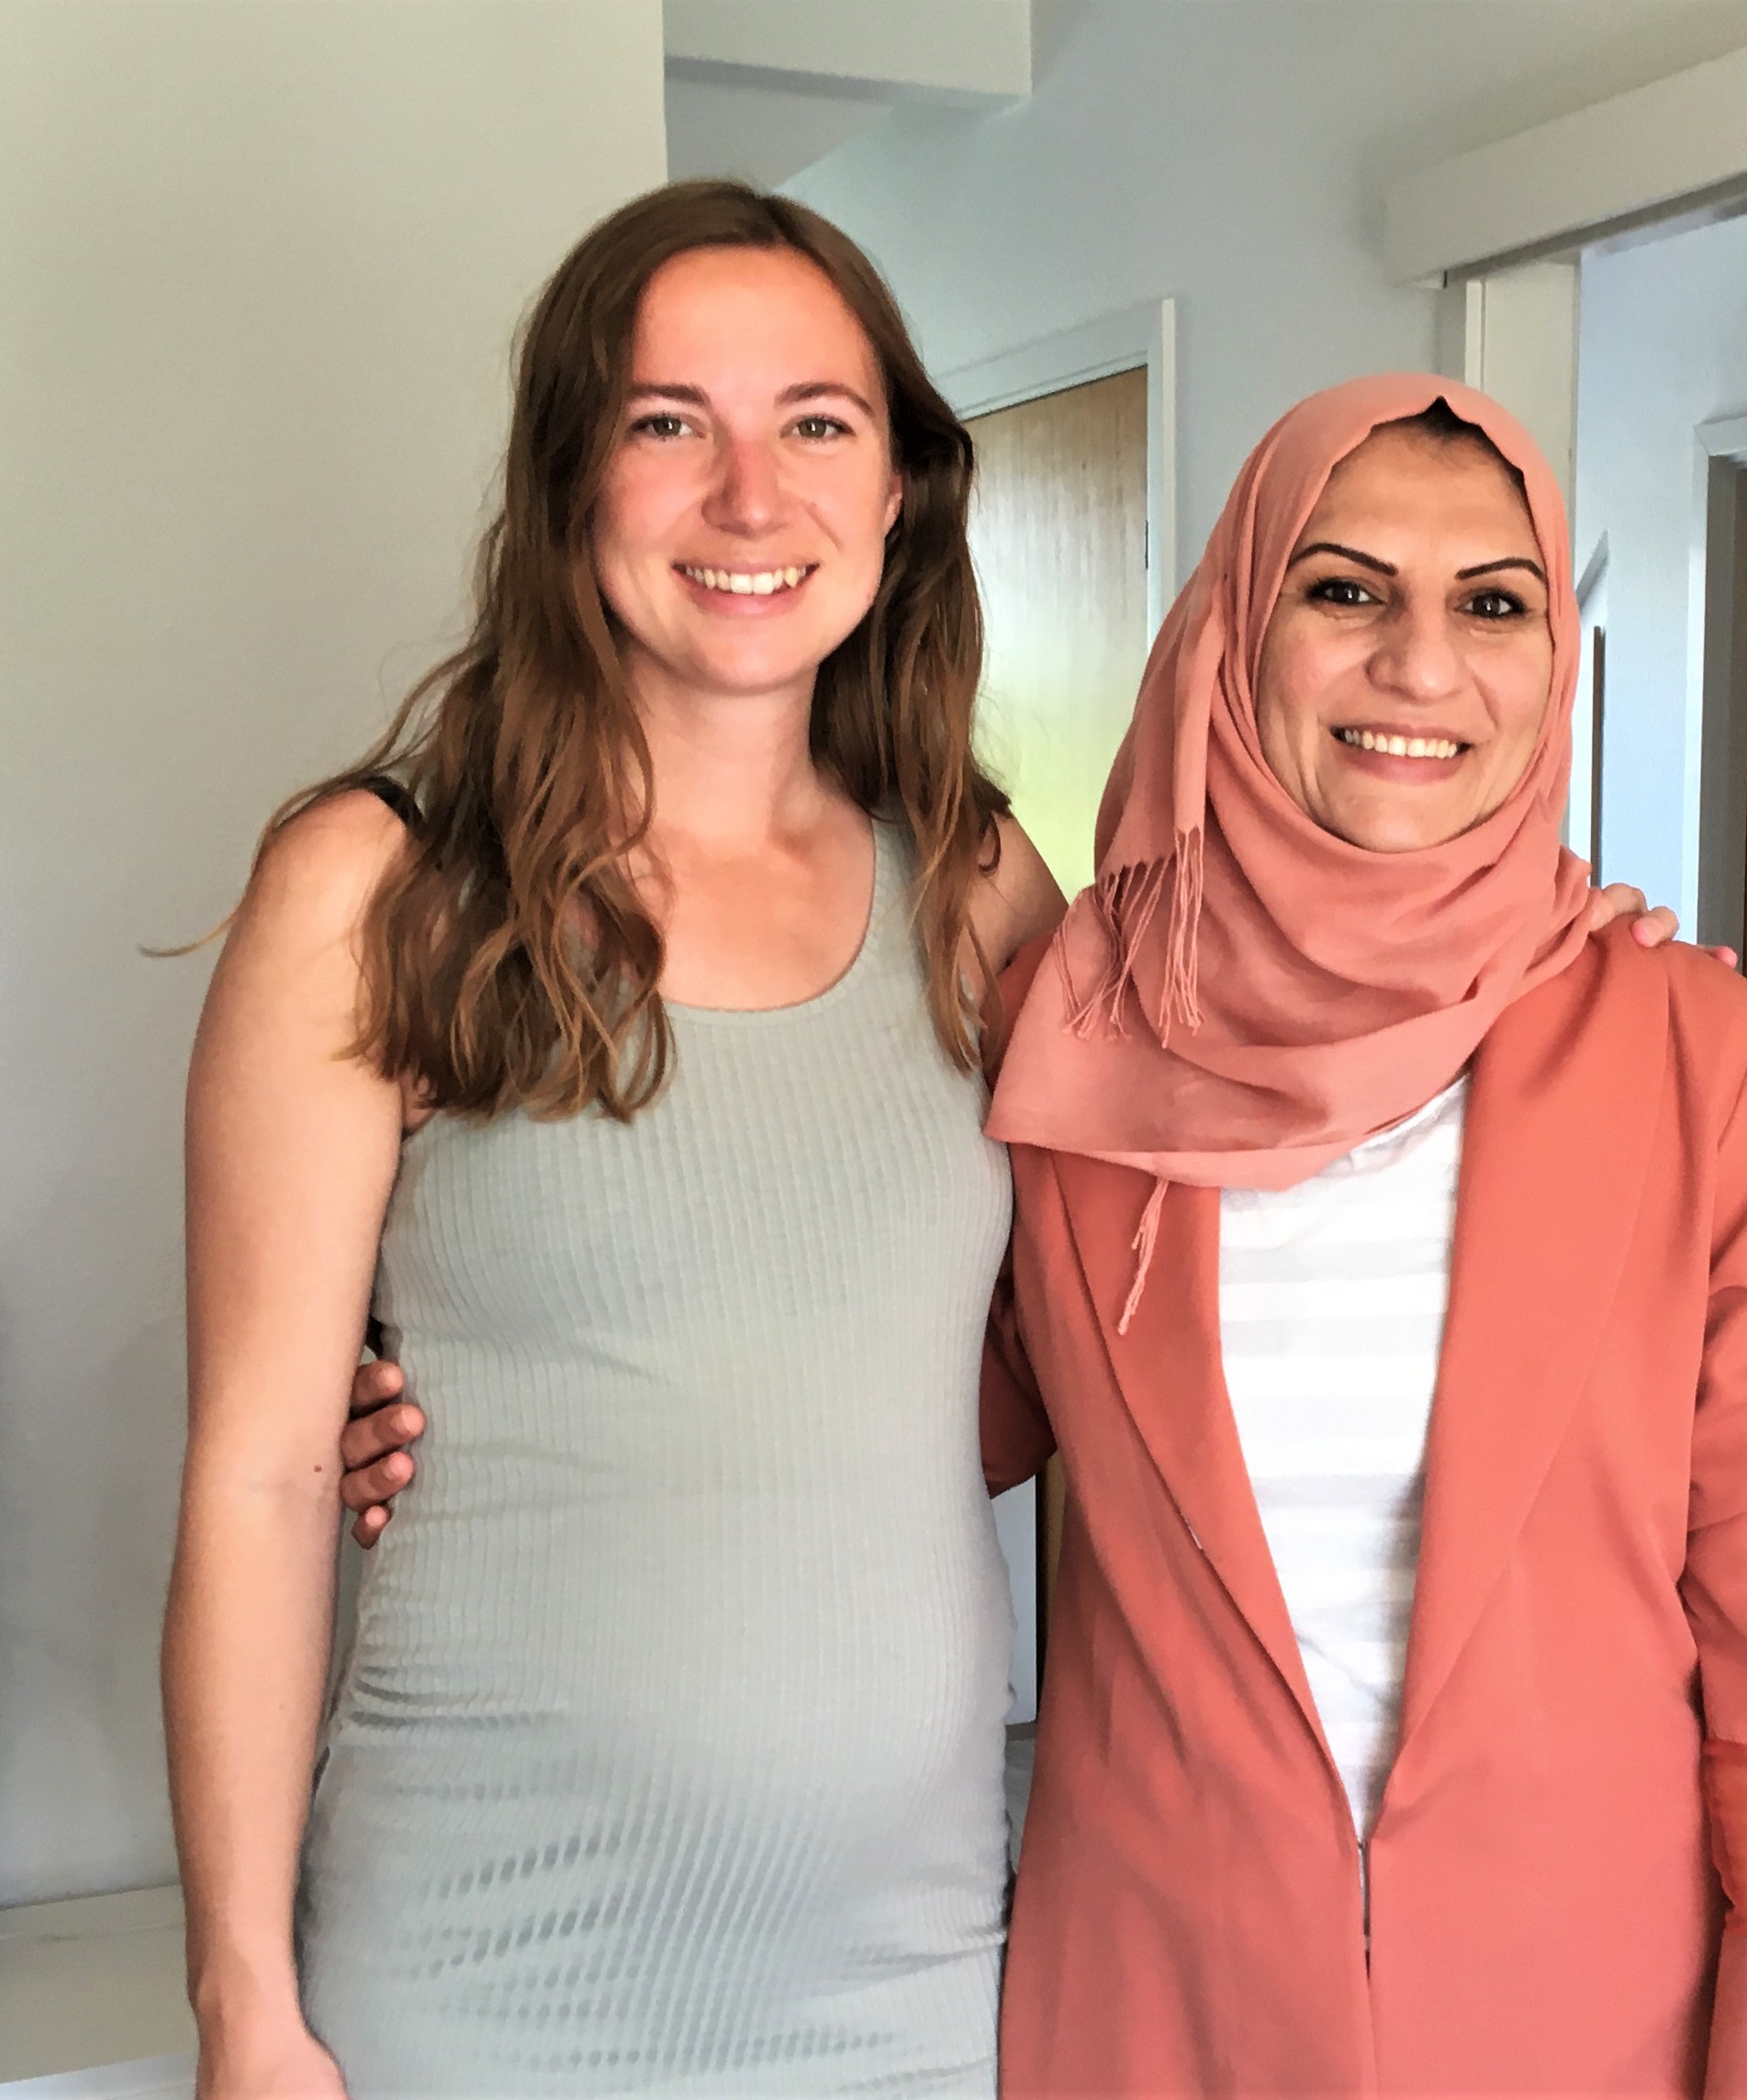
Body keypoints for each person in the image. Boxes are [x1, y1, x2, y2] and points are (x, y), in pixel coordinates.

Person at [162, 181, 1070, 2097]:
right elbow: (258, 1476)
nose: (751, 497)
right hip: (485, 1970)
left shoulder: (978, 889)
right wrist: (243, 2000)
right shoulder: (380, 887)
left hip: (915, 1988)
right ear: (571, 476)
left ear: (901, 483)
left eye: (815, 422)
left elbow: (1066, 1367)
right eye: (670, 423)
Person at [973, 375, 1747, 2094]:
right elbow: (910, 1424)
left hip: (1583, 2007)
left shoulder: (1696, 1055)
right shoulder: (1070, 1035)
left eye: (1492, 604)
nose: (1420, 666)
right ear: (1233, 633)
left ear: (1556, 662)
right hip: (1155, 2004)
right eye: (1344, 590)